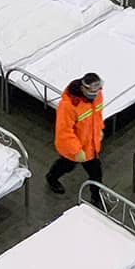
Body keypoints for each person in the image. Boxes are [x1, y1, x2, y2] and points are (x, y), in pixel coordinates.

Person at [47, 73, 104, 203]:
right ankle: (52, 177)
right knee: (67, 165)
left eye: (98, 89)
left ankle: (96, 198)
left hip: (91, 145)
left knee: (96, 173)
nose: (96, 93)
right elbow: (64, 132)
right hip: (74, 147)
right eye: (93, 90)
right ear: (83, 88)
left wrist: (99, 129)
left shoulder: (98, 95)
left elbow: (97, 115)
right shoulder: (68, 106)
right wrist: (77, 150)